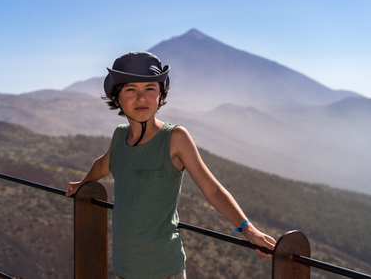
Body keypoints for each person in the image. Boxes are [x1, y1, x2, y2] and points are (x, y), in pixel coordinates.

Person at [66, 51, 276, 279]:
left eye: (150, 89)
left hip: (164, 269)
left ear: (161, 96)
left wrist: (247, 228)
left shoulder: (175, 138)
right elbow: (102, 165)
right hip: (124, 268)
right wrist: (83, 183)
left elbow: (213, 190)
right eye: (130, 90)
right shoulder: (119, 137)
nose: (141, 98)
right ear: (117, 98)